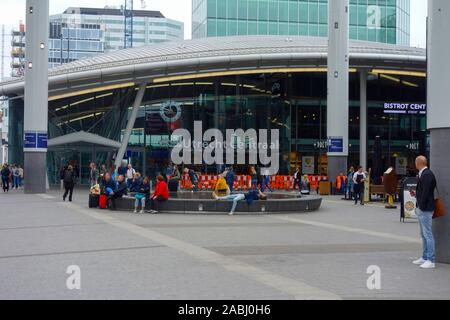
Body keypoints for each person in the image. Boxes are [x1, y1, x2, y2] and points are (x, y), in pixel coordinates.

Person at [410, 156, 437, 269]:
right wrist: (416, 194)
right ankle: (425, 257)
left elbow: (426, 192)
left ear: (418, 163)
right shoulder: (425, 174)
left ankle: (431, 260)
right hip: (423, 207)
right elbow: (424, 191)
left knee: (427, 234)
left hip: (425, 208)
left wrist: (420, 205)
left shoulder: (427, 174)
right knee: (424, 234)